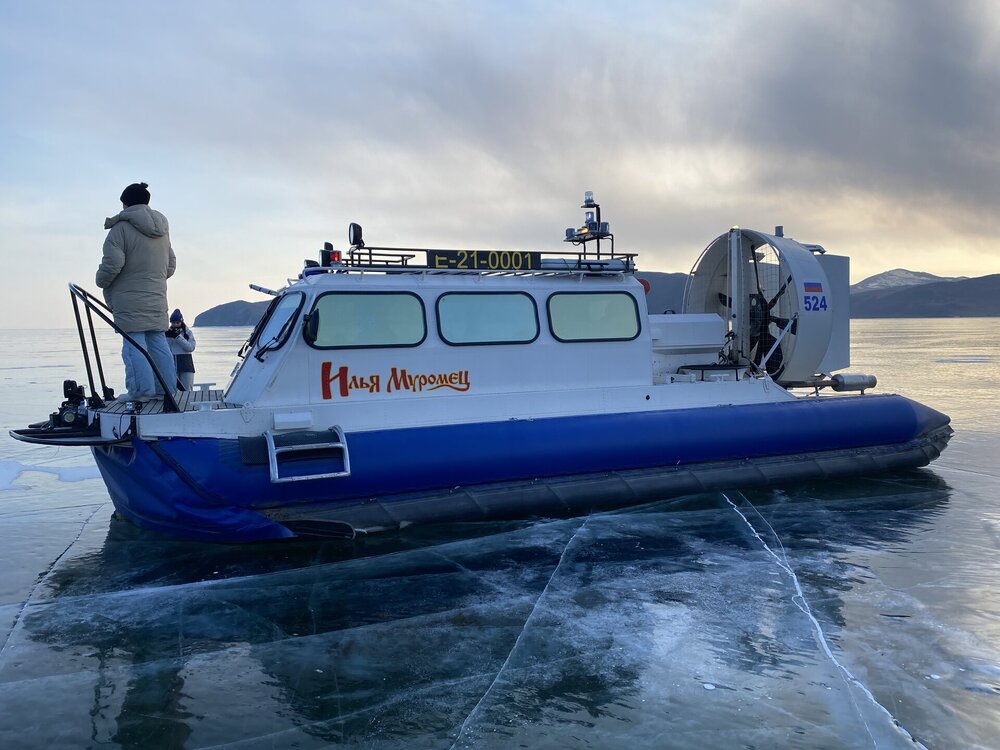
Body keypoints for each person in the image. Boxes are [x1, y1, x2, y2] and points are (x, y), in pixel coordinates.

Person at [96, 182, 177, 399]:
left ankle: (141, 391)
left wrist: (100, 280)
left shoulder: (120, 229)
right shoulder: (162, 231)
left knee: (134, 343)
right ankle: (165, 390)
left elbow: (113, 263)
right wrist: (153, 279)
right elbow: (171, 265)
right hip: (157, 295)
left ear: (125, 203)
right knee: (158, 342)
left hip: (129, 298)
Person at [166, 308, 197, 390]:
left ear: (181, 322)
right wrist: (168, 337)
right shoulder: (167, 333)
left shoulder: (187, 333)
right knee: (173, 389)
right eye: (173, 322)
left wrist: (178, 337)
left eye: (177, 322)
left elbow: (191, 348)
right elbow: (166, 349)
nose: (175, 324)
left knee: (187, 389)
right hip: (173, 364)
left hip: (186, 364)